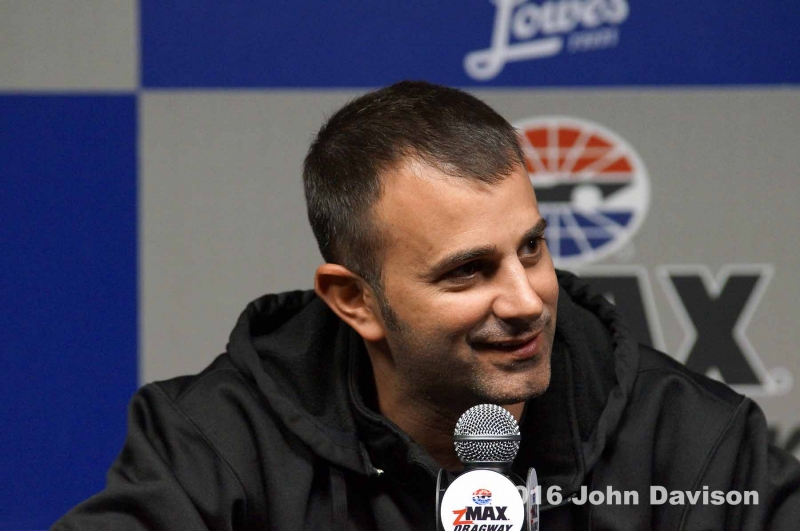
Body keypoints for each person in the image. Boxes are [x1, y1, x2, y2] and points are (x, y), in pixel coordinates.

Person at [54, 81, 800, 530]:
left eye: (531, 248)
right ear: (355, 300)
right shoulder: (218, 443)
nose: (527, 301)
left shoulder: (696, 441)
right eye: (468, 272)